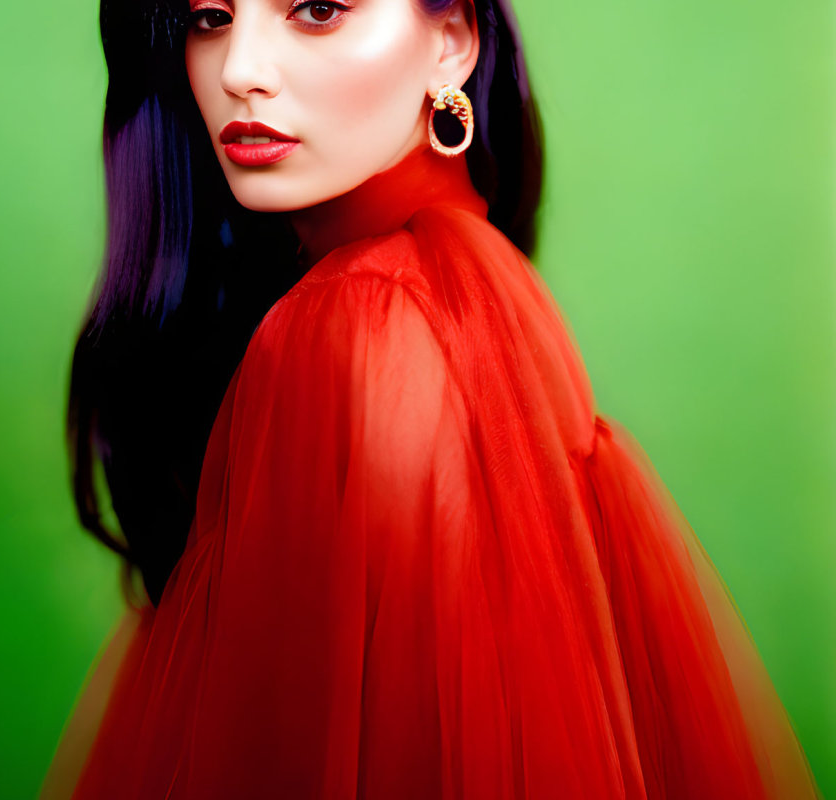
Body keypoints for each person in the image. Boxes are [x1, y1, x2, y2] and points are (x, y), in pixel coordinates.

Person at [41, 0, 822, 796]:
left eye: (316, 10)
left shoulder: (354, 321)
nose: (239, 68)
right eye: (210, 17)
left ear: (450, 43)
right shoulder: (479, 285)